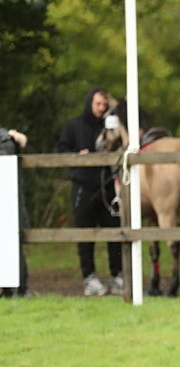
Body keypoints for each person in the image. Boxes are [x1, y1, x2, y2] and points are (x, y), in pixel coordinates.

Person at [57, 88, 122, 296]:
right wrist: (77, 155)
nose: (101, 108)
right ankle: (89, 277)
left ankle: (118, 275)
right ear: (90, 103)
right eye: (98, 104)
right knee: (85, 234)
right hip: (83, 186)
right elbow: (62, 150)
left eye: (104, 105)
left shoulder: (112, 126)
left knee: (115, 231)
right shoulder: (74, 126)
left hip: (107, 186)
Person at [0, 125, 30, 296]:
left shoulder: (5, 141)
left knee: (10, 239)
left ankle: (16, 289)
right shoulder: (6, 139)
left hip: (7, 201)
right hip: (9, 201)